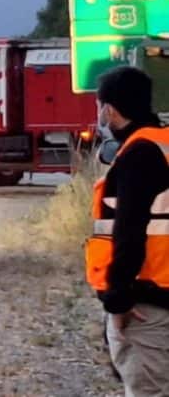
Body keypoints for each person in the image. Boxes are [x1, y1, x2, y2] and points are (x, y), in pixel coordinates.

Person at [86, 66, 169, 396]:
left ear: (109, 109)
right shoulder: (163, 145)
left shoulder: (138, 154)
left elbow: (129, 232)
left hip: (148, 303)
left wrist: (117, 299)